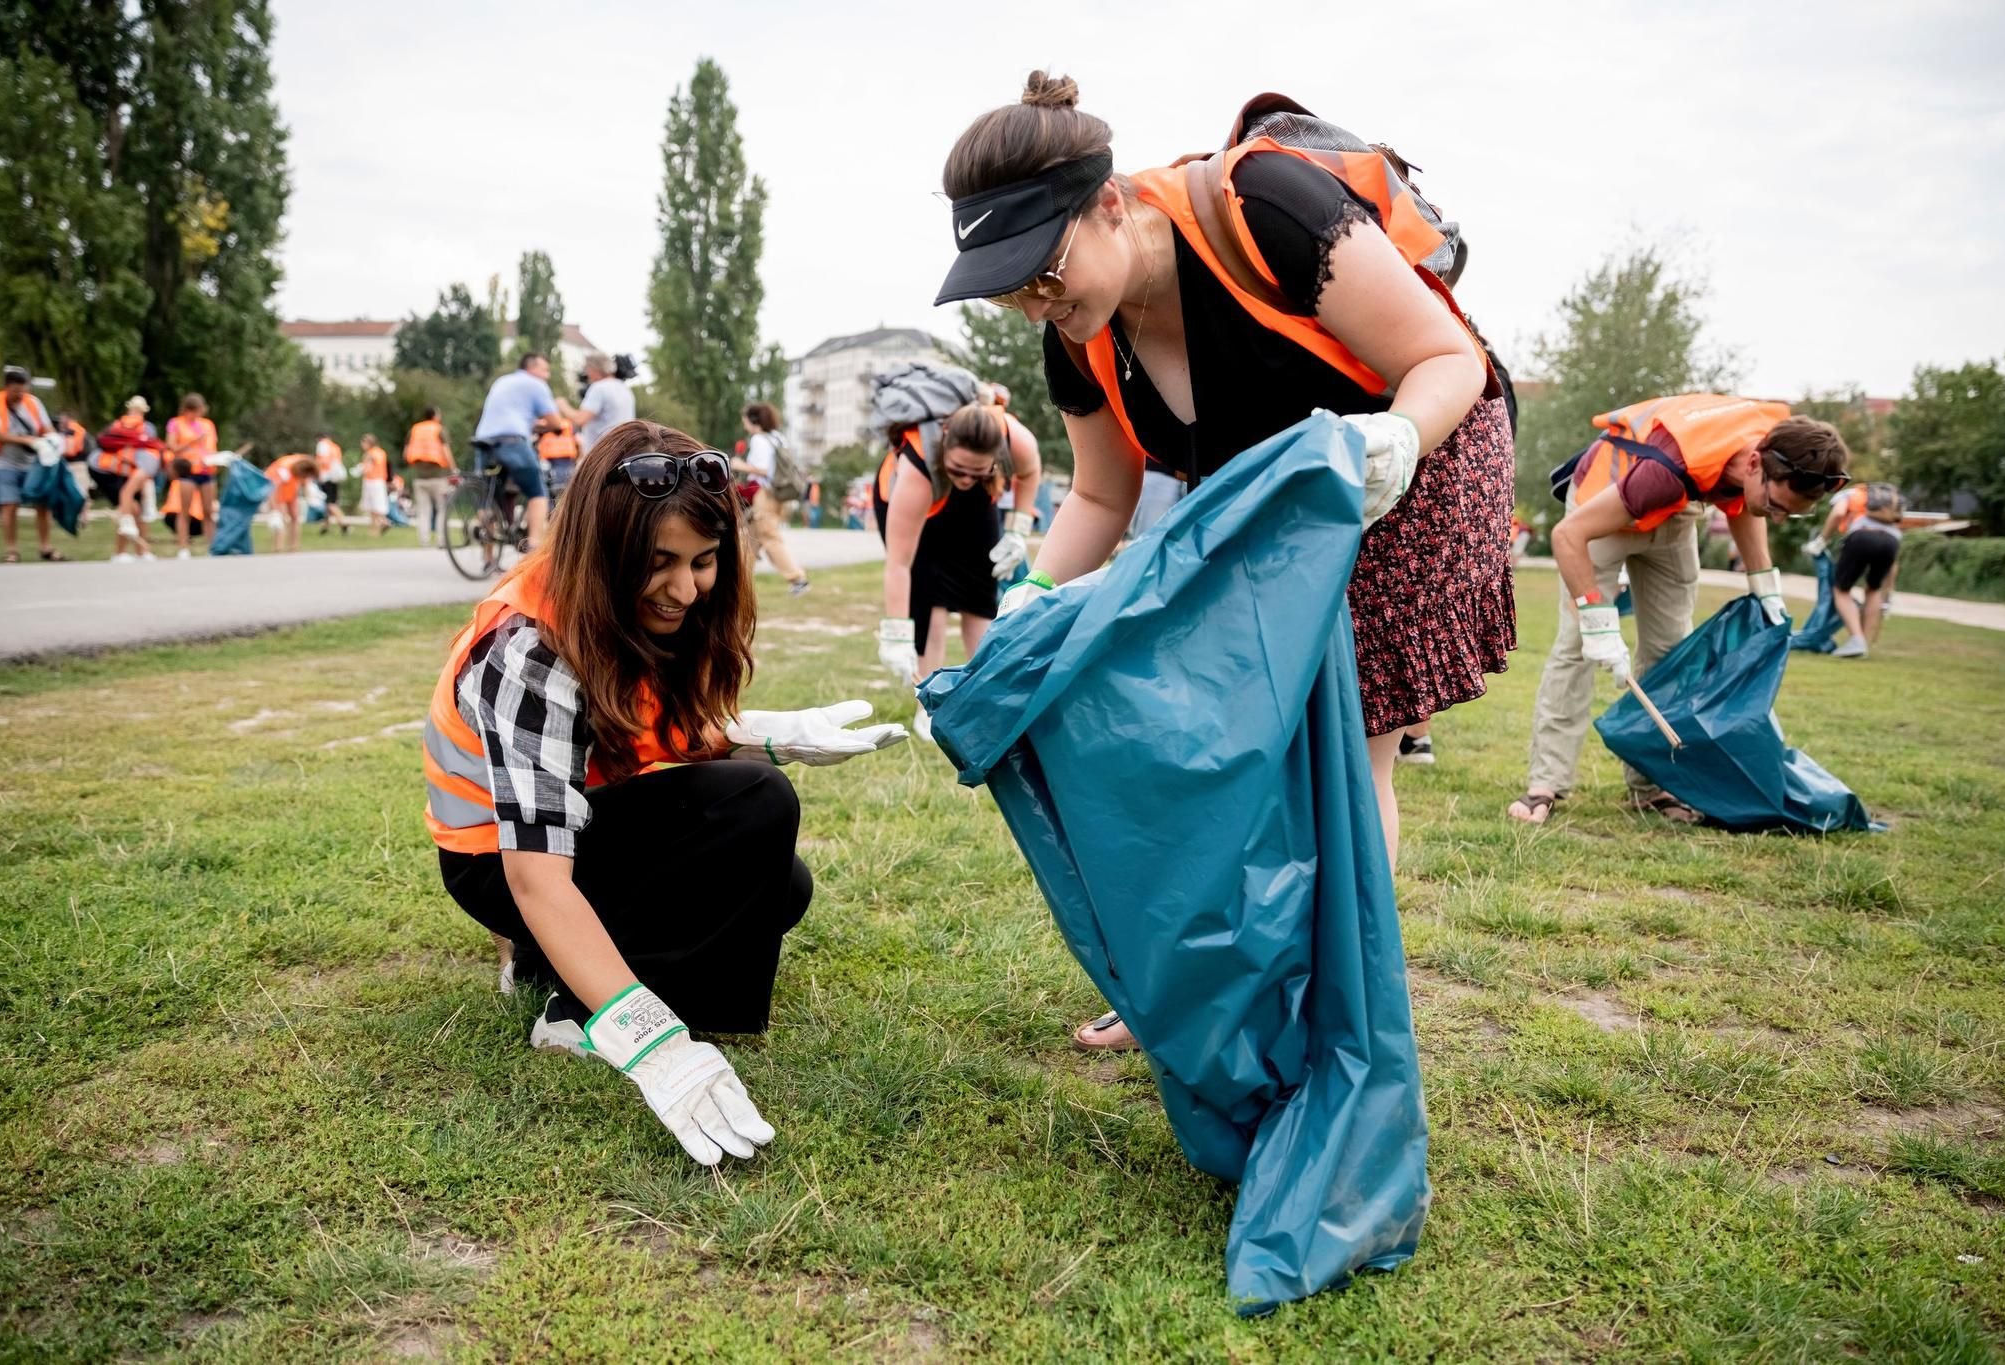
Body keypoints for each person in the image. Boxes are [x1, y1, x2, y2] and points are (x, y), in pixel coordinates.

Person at [936, 74, 1515, 1050]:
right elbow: (1101, 495)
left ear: (1110, 203)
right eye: (1011, 292)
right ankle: (1198, 982)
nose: (1037, 305)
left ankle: (1335, 998)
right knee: (1221, 738)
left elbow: (1444, 359)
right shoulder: (1078, 337)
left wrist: (1391, 448)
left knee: (1344, 736)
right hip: (1286, 492)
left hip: (1422, 453)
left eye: (1044, 272)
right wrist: (1033, 595)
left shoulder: (1269, 208)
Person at [423, 420, 906, 1166]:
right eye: (660, 563)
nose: (686, 589)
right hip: (501, 866)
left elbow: (642, 736)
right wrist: (656, 1045)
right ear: (606, 551)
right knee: (757, 804)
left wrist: (770, 734)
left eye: (705, 561)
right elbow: (534, 874)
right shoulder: (529, 646)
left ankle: (547, 961)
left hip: (568, 836)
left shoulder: (632, 611)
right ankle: (575, 1009)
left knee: (782, 888)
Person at [1509, 396, 1850, 825]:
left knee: (1670, 653)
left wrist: (1766, 589)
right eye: (1777, 507)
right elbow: (1567, 536)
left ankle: (1652, 786)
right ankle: (1546, 784)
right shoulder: (1665, 473)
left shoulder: (1768, 454)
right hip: (1604, 507)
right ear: (1754, 464)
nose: (1778, 519)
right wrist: (1597, 622)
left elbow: (1746, 505)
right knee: (1577, 648)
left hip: (1674, 517)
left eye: (1789, 513)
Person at [873, 401, 1043, 732]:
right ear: (945, 441)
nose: (965, 479)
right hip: (913, 498)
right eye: (959, 471)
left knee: (981, 593)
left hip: (979, 496)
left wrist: (1018, 530)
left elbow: (1030, 470)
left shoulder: (1013, 440)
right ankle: (929, 702)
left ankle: (984, 699)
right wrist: (895, 631)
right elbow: (899, 562)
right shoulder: (918, 466)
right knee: (929, 597)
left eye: (975, 471)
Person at [472, 353, 565, 549]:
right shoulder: (536, 385)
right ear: (531, 368)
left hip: (484, 440)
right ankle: (533, 547)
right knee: (537, 491)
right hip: (512, 440)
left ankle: (488, 559)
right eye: (544, 369)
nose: (547, 375)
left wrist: (530, 424)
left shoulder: (502, 381)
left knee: (489, 497)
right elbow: (556, 422)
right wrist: (545, 427)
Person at [0, 365, 63, 563]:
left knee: (42, 504)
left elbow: (46, 427)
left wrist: (53, 441)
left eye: (24, 390)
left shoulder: (33, 403)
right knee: (9, 505)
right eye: (16, 391)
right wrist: (26, 440)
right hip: (3, 461)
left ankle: (45, 547)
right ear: (6, 387)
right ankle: (11, 550)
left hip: (33, 463)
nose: (20, 395)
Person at [732, 402, 810, 595]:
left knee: (769, 538)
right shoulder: (778, 437)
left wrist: (739, 465)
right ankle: (739, 582)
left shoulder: (759, 439)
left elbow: (763, 469)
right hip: (778, 495)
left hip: (764, 495)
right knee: (748, 541)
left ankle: (798, 579)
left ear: (753, 421)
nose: (744, 425)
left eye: (745, 421)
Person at [1826, 482, 1905, 658]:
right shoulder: (1893, 504)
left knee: (1841, 590)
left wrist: (1822, 540)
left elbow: (1838, 513)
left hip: (1862, 536)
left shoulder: (1851, 493)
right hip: (1892, 542)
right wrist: (1889, 591)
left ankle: (1856, 640)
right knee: (1873, 589)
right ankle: (1863, 644)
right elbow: (1893, 564)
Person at [93, 397, 162, 562]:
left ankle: (140, 551)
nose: (135, 413)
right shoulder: (118, 426)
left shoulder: (147, 428)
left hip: (138, 475)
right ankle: (120, 552)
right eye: (134, 409)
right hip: (122, 473)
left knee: (139, 512)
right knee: (129, 509)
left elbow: (148, 452)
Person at [160, 394, 219, 559]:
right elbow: (172, 447)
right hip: (187, 471)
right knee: (184, 511)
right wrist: (193, 440)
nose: (197, 415)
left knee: (208, 510)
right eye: (195, 412)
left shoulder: (208, 425)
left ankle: (213, 547)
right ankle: (183, 547)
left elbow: (211, 446)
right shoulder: (176, 423)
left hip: (206, 470)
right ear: (187, 410)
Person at [552, 352, 636, 465]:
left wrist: (562, 405)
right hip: (623, 451)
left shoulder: (599, 388)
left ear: (594, 368)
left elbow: (580, 419)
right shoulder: (625, 389)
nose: (586, 373)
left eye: (587, 368)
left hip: (601, 454)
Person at [405, 407, 455, 548]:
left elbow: (406, 453)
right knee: (442, 509)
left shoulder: (414, 429)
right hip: (438, 476)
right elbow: (446, 451)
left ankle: (424, 541)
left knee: (423, 510)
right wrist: (454, 469)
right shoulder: (439, 429)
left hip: (419, 477)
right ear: (435, 416)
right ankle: (441, 540)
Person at [267, 454, 316, 553]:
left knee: (295, 516)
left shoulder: (305, 463)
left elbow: (306, 481)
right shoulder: (284, 469)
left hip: (290, 487)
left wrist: (310, 498)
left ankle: (294, 547)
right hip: (276, 488)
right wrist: (275, 506)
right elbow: (274, 488)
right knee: (280, 517)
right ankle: (278, 547)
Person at [536, 416, 580, 496]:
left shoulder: (543, 424)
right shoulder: (569, 424)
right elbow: (578, 441)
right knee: (568, 485)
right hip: (565, 458)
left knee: (549, 487)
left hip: (550, 459)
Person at [357, 434, 391, 534]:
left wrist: (359, 470)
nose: (362, 445)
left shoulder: (370, 454)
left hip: (372, 481)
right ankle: (380, 525)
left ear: (369, 443)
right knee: (377, 505)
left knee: (373, 506)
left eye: (363, 443)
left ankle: (378, 526)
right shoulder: (381, 452)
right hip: (380, 481)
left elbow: (367, 467)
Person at [314, 433, 347, 536]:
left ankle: (343, 523)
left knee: (329, 503)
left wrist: (317, 472)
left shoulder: (322, 445)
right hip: (335, 477)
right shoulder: (335, 447)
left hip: (326, 477)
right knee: (328, 502)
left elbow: (321, 460)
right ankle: (325, 526)